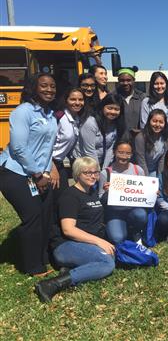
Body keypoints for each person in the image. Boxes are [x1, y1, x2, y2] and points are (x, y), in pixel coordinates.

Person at [35, 157, 115, 302]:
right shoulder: (69, 196)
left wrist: (109, 193)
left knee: (113, 254)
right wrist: (99, 241)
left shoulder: (92, 191)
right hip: (65, 245)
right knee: (107, 263)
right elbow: (68, 230)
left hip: (84, 243)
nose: (93, 176)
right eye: (87, 172)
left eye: (96, 172)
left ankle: (71, 267)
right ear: (78, 173)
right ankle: (52, 284)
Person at [0, 73, 57, 276]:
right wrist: (37, 173)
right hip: (15, 172)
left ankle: (43, 259)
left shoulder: (49, 114)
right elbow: (18, 147)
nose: (49, 89)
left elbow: (47, 148)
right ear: (34, 87)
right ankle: (32, 266)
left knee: (44, 215)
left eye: (52, 86)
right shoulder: (23, 112)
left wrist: (47, 172)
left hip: (39, 173)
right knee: (32, 215)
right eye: (44, 86)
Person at [98, 140, 148, 245]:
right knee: (117, 239)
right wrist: (107, 192)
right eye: (120, 152)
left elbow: (144, 192)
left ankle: (136, 232)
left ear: (132, 154)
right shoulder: (105, 173)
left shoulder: (138, 170)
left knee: (141, 215)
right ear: (114, 152)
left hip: (133, 210)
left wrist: (151, 193)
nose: (124, 156)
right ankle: (121, 229)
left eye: (127, 153)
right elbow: (101, 199)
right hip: (115, 213)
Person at [74, 93, 126, 169]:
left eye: (116, 109)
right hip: (85, 162)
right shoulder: (90, 123)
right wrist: (97, 171)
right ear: (102, 107)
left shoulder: (115, 124)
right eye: (110, 108)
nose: (113, 112)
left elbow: (110, 149)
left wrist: (105, 170)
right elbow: (89, 151)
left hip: (101, 163)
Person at [50, 88, 87, 194]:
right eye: (73, 99)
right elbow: (47, 144)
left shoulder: (77, 119)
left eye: (81, 99)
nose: (77, 103)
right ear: (66, 101)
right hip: (49, 163)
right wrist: (51, 167)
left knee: (62, 196)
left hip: (59, 163)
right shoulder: (59, 117)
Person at [135, 109, 168, 177]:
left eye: (161, 122)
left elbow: (163, 159)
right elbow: (141, 160)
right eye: (154, 121)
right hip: (140, 170)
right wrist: (147, 179)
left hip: (155, 170)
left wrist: (160, 177)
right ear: (149, 121)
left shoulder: (167, 137)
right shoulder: (140, 137)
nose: (157, 125)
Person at [116, 67, 145, 136]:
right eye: (122, 80)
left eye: (129, 80)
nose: (125, 83)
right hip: (119, 141)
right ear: (118, 81)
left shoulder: (142, 98)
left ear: (134, 80)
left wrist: (141, 131)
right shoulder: (113, 97)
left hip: (138, 140)